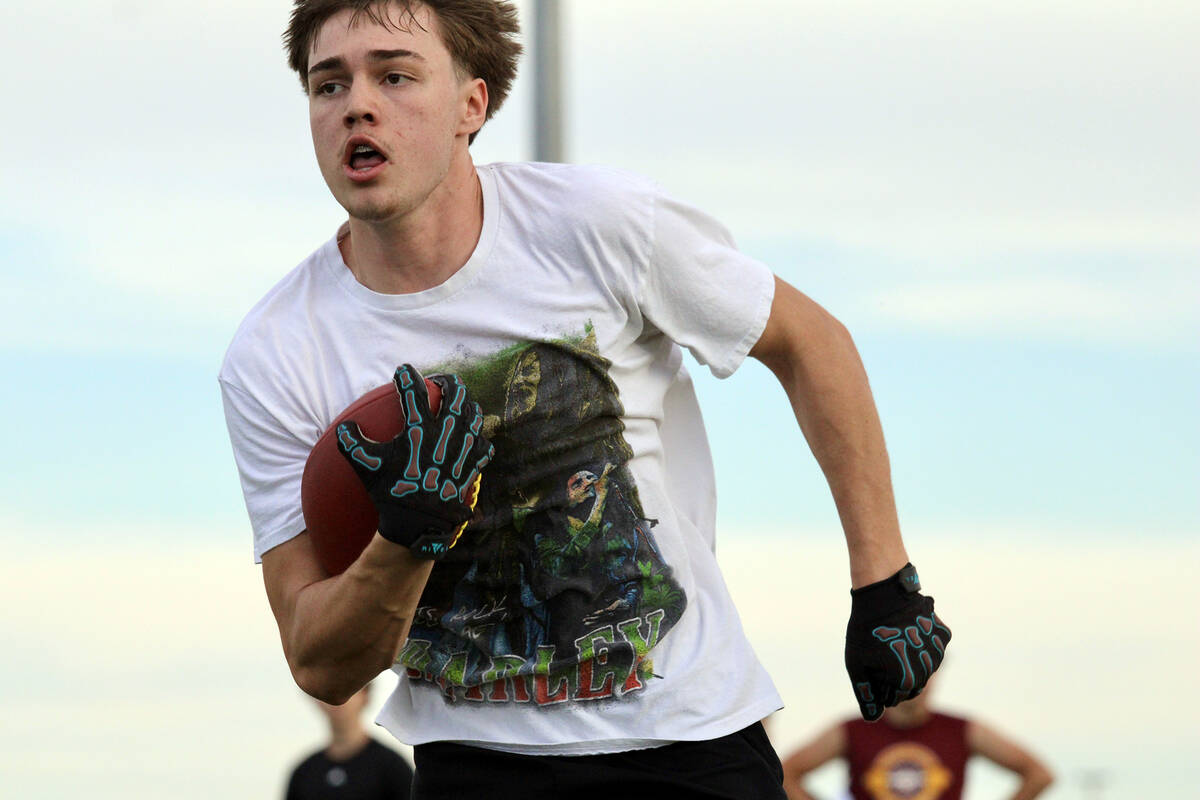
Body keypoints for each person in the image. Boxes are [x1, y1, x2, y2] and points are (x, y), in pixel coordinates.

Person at [219, 2, 953, 797]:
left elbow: (812, 343)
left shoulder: (598, 225)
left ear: (473, 103)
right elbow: (319, 660)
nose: (357, 103)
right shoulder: (274, 354)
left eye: (394, 75)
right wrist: (404, 540)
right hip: (474, 765)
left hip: (690, 742)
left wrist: (883, 580)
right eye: (329, 86)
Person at [780, 681, 1054, 800]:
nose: (918, 683)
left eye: (925, 671)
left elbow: (1039, 774)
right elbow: (784, 774)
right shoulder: (852, 730)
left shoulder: (962, 729)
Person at [285, 684, 414, 800]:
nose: (338, 698)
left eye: (348, 690)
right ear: (318, 700)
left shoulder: (393, 769)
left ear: (365, 696)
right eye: (329, 691)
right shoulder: (304, 774)